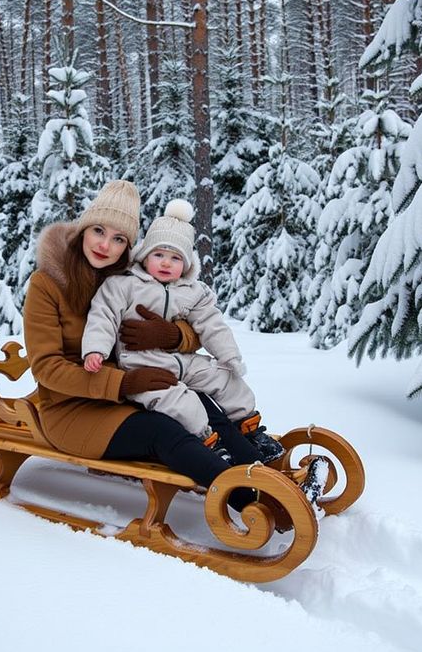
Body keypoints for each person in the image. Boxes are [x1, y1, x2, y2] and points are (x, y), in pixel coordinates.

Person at [22, 180, 267, 514]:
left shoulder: (131, 277)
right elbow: (46, 368)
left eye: (119, 238)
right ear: (83, 230)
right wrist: (122, 383)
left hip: (135, 390)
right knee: (164, 431)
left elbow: (193, 318)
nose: (106, 245)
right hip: (73, 410)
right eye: (98, 231)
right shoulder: (48, 284)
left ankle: (264, 470)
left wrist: (172, 336)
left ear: (129, 247)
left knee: (201, 403)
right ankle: (252, 500)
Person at [81, 199, 285, 465]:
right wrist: (95, 349)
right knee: (183, 402)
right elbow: (103, 316)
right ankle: (209, 443)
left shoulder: (193, 291)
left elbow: (211, 324)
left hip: (183, 361)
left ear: (187, 264)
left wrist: (229, 356)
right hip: (144, 366)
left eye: (175, 257)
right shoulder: (124, 286)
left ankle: (250, 428)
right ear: (144, 255)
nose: (166, 263)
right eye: (159, 255)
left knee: (225, 378)